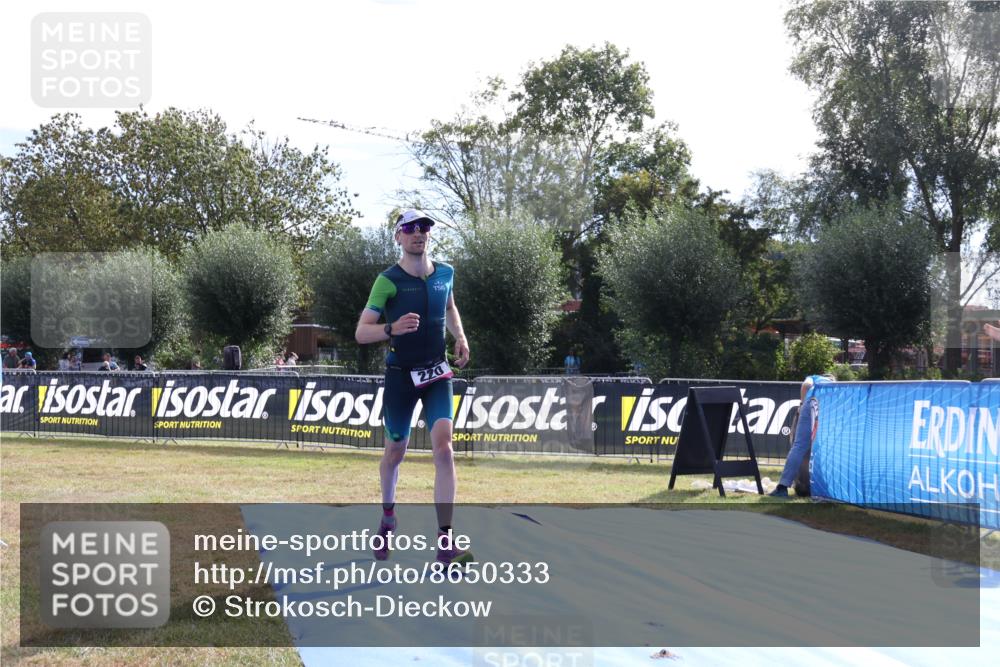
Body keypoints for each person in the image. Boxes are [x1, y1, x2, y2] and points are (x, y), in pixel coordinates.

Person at [355, 208, 472, 567]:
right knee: (395, 451)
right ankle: (388, 516)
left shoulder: (446, 273)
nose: (418, 233)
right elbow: (361, 332)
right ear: (398, 237)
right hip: (401, 376)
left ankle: (445, 540)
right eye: (410, 228)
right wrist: (391, 329)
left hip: (437, 373)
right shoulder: (387, 280)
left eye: (424, 227)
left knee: (445, 449)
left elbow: (450, 307)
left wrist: (460, 337)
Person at [769, 373, 835, 497]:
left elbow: (806, 384)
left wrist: (803, 403)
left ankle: (782, 487)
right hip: (830, 408)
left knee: (799, 446)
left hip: (812, 403)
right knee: (823, 449)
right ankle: (823, 487)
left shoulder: (815, 378)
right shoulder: (835, 386)